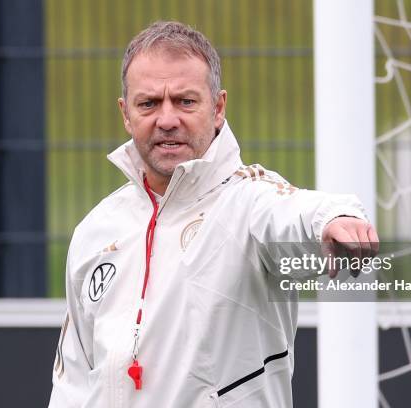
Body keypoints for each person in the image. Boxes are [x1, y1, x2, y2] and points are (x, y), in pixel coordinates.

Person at [48, 21, 378, 408]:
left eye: (185, 101)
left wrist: (335, 219)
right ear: (126, 114)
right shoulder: (96, 229)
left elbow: (294, 211)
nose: (167, 119)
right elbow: (72, 381)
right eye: (149, 103)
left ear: (218, 108)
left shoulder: (247, 202)